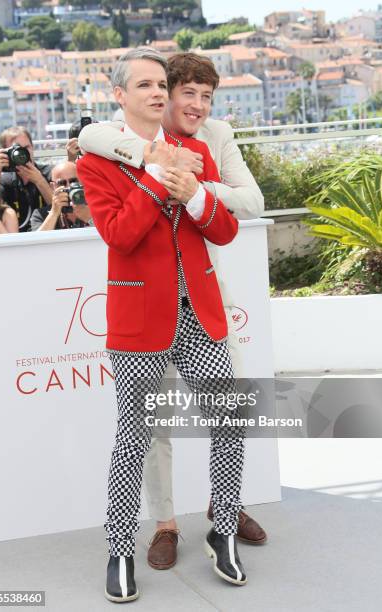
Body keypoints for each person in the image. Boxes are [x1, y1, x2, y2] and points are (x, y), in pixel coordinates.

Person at [79, 52, 267, 569]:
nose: (159, 92)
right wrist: (164, 181)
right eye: (146, 84)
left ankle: (223, 530)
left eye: (163, 83)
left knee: (228, 418)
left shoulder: (195, 150)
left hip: (200, 314)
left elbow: (225, 230)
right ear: (120, 95)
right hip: (140, 319)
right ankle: (119, 551)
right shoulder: (98, 159)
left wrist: (197, 196)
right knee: (134, 435)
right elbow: (118, 234)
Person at [0, 126, 53, 232]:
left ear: (32, 147)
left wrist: (40, 181)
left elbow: (60, 209)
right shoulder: (4, 179)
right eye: (17, 149)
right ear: (5, 152)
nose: (23, 153)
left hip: (47, 233)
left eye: (27, 147)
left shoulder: (49, 172)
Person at [30, 161, 93, 231]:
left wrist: (90, 218)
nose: (69, 186)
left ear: (82, 181)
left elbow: (105, 234)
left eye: (73, 181)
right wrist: (54, 213)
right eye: (61, 183)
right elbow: (38, 240)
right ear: (53, 187)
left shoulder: (96, 207)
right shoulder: (40, 215)